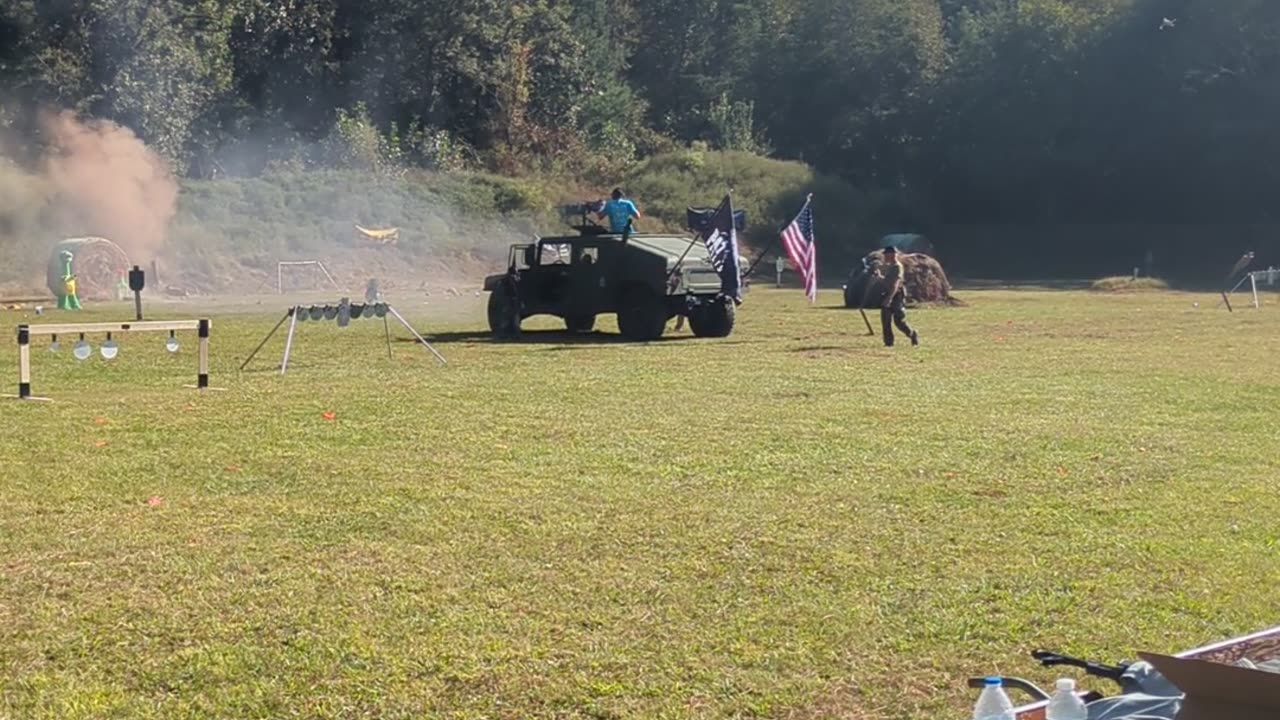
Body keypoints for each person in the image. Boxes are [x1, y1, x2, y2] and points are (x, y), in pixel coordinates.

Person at [875, 246, 918, 347]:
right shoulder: (890, 267)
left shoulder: (897, 267)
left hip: (896, 295)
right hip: (887, 294)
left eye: (886, 254)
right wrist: (879, 277)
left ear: (892, 255)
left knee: (899, 321)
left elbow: (895, 284)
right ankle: (888, 342)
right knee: (885, 320)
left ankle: (912, 334)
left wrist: (889, 298)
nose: (884, 256)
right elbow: (887, 281)